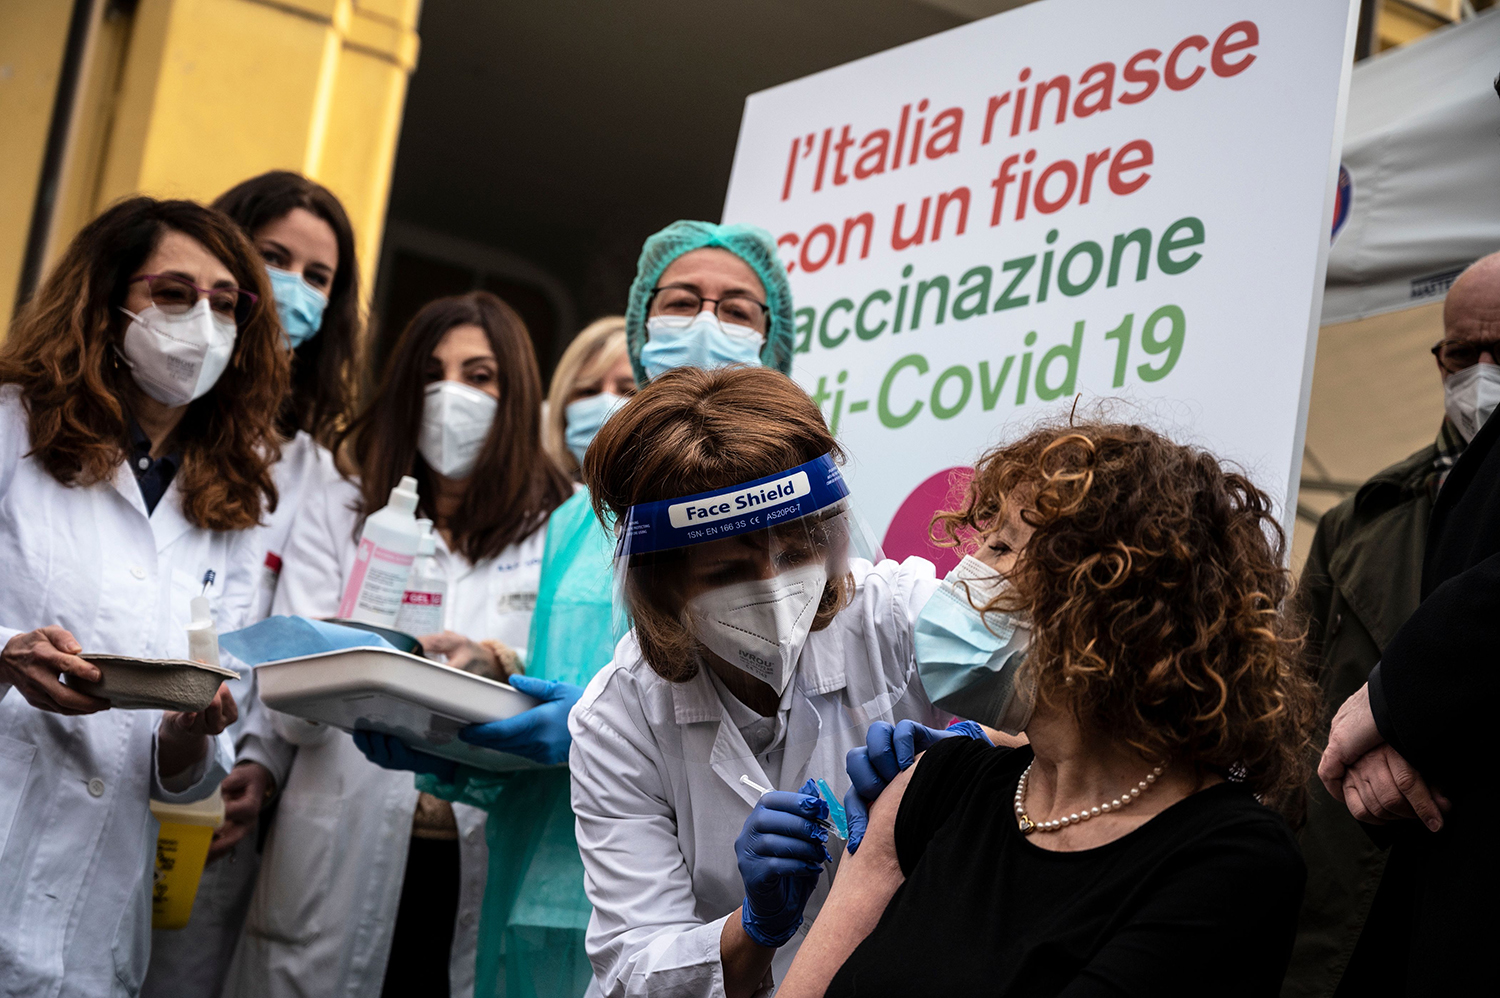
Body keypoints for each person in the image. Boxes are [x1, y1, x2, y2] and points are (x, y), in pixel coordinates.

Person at [357, 221, 801, 998]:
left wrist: (595, 726)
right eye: (681, 302)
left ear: (773, 341)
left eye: (737, 310)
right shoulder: (572, 520)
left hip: (710, 900)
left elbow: (797, 711)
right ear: (640, 328)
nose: (705, 323)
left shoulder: (788, 510)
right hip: (538, 881)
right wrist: (460, 748)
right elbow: (545, 721)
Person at [777, 421, 1322, 998]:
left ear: (1109, 604)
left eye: (1004, 547)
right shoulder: (937, 788)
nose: (968, 571)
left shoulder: (1228, 860)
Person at [221, 291, 573, 998]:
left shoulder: (559, 527)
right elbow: (288, 698)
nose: (452, 396)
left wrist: (496, 664)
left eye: (480, 376)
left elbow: (564, 685)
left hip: (479, 845)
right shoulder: (345, 510)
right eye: (431, 374)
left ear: (517, 395)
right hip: (336, 843)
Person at [566, 364, 948, 998]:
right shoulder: (620, 719)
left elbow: (1068, 711)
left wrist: (986, 750)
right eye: (726, 571)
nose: (774, 590)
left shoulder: (896, 616)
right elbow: (634, 969)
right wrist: (754, 927)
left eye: (796, 553)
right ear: (662, 586)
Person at [0, 196, 288, 997]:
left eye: (225, 303)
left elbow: (190, 779)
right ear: (106, 299)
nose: (201, 320)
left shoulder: (229, 502)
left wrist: (191, 737)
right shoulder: (10, 429)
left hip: (97, 930)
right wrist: (3, 653)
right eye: (173, 292)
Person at [141, 169, 366, 998]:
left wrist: (259, 766)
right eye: (274, 258)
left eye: (319, 277)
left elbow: (293, 638)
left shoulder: (316, 471)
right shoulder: (153, 427)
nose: (295, 290)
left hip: (215, 805)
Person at [1286, 252, 1500, 996]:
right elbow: (1291, 693)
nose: (1479, 373)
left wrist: (1405, 713)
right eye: (1461, 353)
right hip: (1348, 873)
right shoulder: (1361, 517)